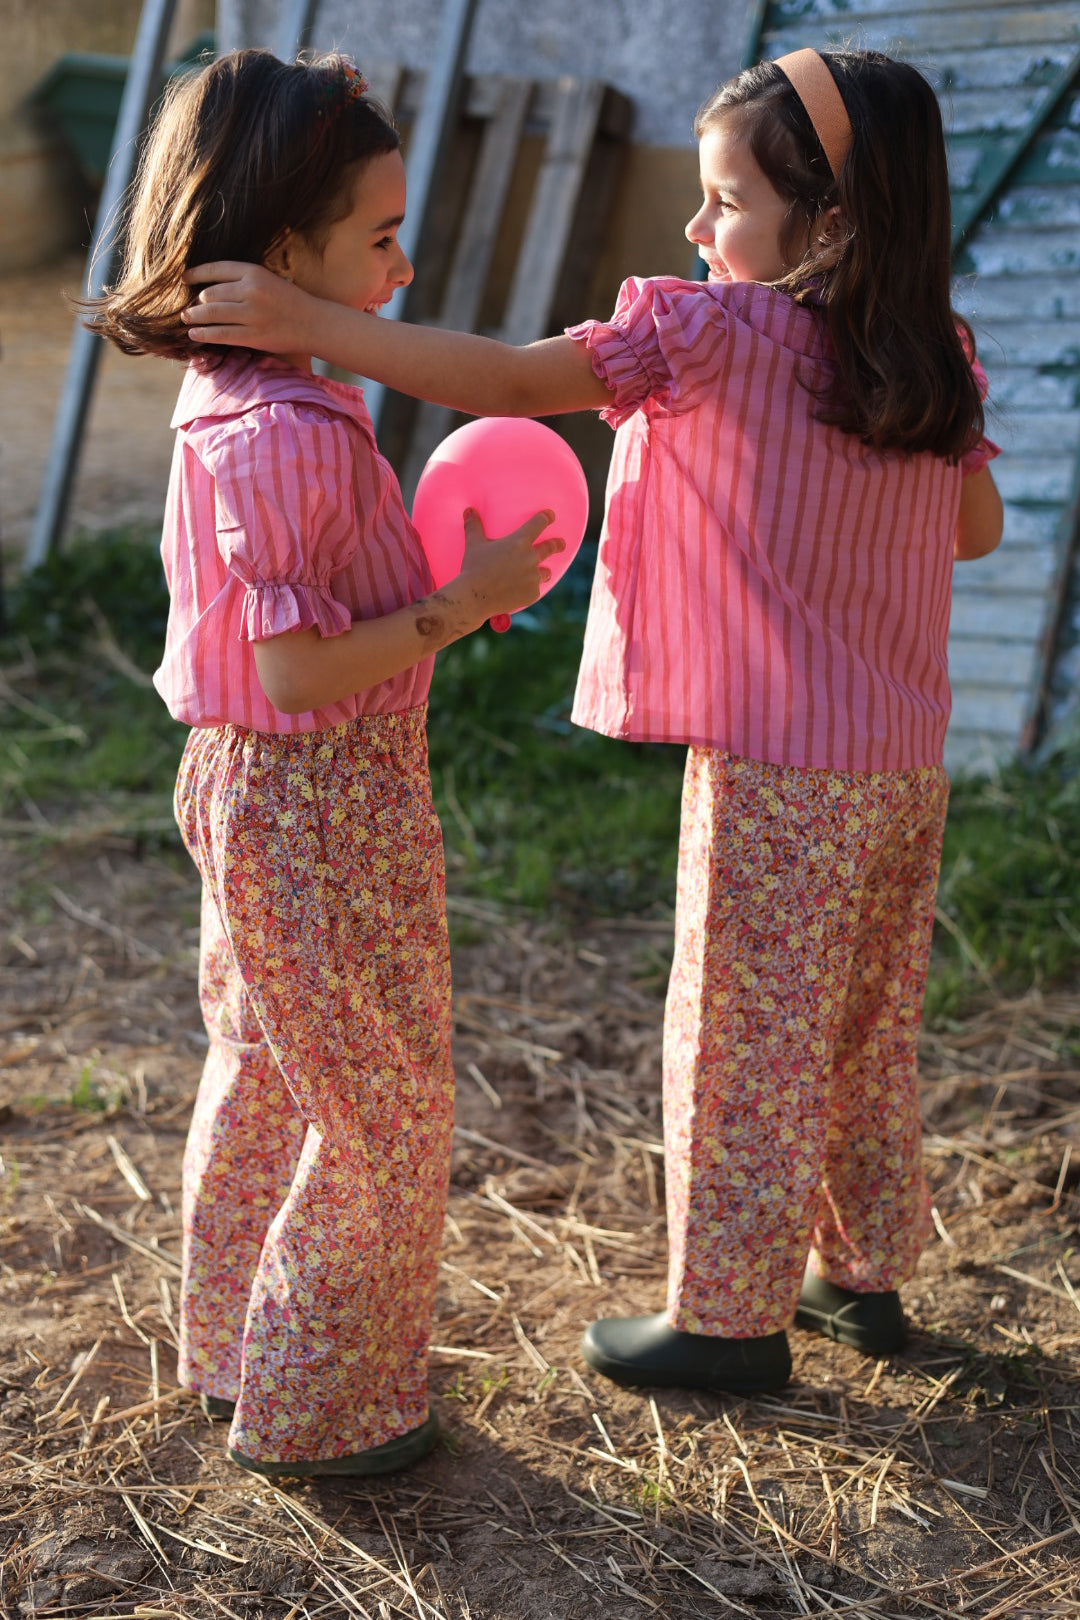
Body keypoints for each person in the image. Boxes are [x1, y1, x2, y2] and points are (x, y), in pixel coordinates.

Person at [181, 48, 1004, 1398]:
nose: (695, 231)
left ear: (834, 220)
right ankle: (866, 1282)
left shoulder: (717, 334)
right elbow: (972, 531)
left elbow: (508, 382)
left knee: (740, 1035)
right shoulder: (936, 354)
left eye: (724, 202)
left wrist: (312, 323)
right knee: (866, 1029)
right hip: (904, 770)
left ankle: (728, 1322)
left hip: (776, 779)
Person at [86, 48, 563, 1474]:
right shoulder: (287, 432)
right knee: (382, 1105)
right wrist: (454, 606)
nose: (406, 266)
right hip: (315, 798)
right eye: (381, 235)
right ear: (283, 252)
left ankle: (241, 1351)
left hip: (253, 788)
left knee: (271, 1073)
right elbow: (300, 669)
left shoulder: (237, 393)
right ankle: (321, 1410)